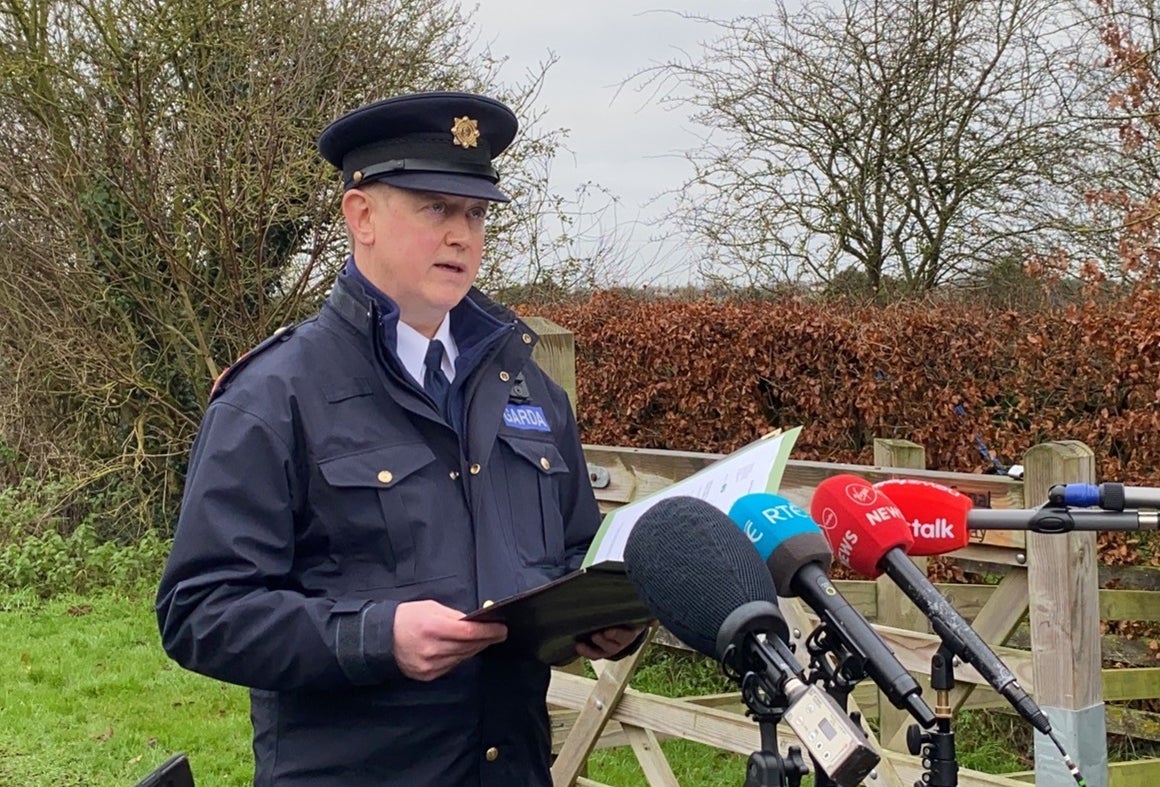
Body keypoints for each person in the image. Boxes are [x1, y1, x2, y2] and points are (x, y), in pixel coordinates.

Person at [156, 91, 645, 786]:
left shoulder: (531, 391)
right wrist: (373, 637)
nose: (462, 235)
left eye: (475, 214)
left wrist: (606, 619)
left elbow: (573, 553)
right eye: (435, 207)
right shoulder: (274, 395)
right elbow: (199, 610)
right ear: (361, 216)